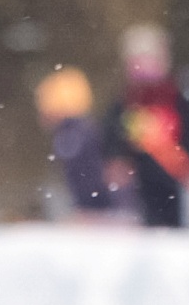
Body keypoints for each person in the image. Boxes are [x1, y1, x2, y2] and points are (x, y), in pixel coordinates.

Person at [108, 24, 189, 229]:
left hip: (177, 181)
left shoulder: (178, 98)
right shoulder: (125, 101)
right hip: (139, 183)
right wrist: (118, 159)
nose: (142, 66)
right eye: (137, 60)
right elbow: (113, 136)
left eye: (149, 59)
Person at [37, 67, 129, 219]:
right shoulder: (83, 129)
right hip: (105, 209)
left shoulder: (72, 135)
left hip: (99, 212)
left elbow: (87, 176)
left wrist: (88, 209)